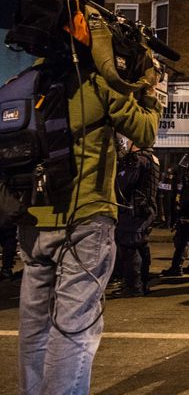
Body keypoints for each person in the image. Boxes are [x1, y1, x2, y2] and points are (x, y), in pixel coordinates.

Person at [16, 51, 161, 393]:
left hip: (33, 219)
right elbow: (144, 131)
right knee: (74, 327)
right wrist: (150, 95)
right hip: (84, 218)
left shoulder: (25, 82)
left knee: (34, 327)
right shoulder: (97, 81)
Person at [112, 143, 160, 297]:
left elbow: (123, 184)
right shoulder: (152, 158)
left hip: (134, 209)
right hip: (146, 208)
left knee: (129, 246)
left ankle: (134, 286)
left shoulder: (138, 159)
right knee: (141, 245)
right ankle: (142, 283)